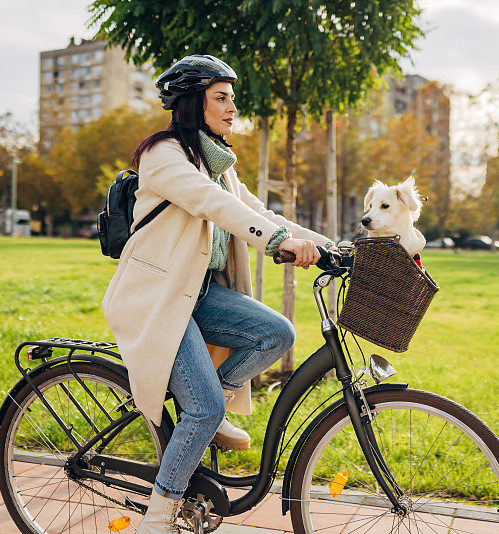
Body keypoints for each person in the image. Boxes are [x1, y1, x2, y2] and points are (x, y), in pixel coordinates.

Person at [101, 54, 335, 534]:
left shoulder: (218, 163)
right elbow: (215, 206)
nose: (232, 108)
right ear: (193, 103)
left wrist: (330, 247)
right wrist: (276, 244)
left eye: (233, 99)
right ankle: (161, 514)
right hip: (157, 296)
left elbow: (255, 210)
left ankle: (205, 408)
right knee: (205, 407)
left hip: (197, 292)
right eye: (221, 98)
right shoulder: (163, 155)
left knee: (276, 333)